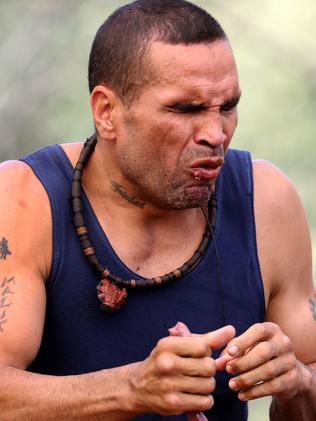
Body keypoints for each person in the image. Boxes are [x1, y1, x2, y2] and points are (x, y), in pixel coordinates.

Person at [0, 0, 315, 419]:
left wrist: (296, 381)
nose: (215, 133)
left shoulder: (266, 200)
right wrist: (130, 389)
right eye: (186, 109)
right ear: (107, 112)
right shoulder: (23, 197)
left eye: (228, 106)